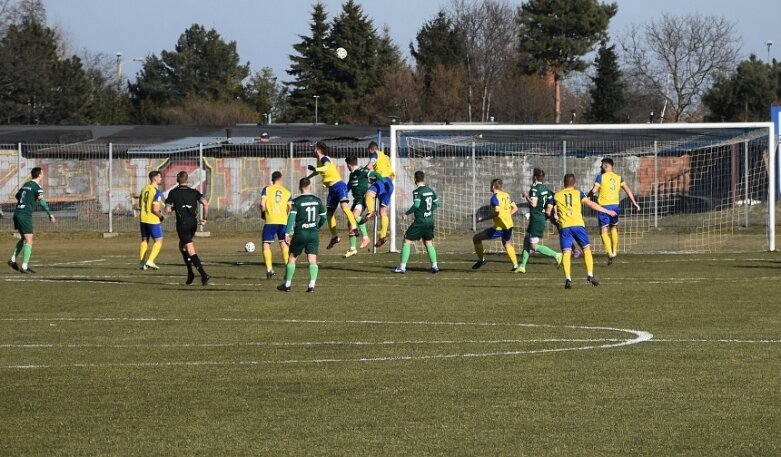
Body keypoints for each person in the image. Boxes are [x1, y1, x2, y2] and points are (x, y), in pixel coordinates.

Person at [546, 173, 618, 289]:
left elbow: (548, 212)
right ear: (574, 183)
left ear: (563, 183)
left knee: (566, 252)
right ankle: (590, 274)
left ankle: (568, 278)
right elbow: (591, 204)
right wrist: (607, 211)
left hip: (564, 227)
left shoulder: (555, 196)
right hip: (578, 225)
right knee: (586, 249)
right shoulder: (579, 193)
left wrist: (554, 217)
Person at [587, 157, 641, 265]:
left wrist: (587, 196)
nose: (600, 167)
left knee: (603, 231)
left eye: (602, 165)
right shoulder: (619, 177)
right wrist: (634, 203)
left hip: (604, 207)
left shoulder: (600, 177)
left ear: (606, 166)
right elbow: (628, 190)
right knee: (613, 228)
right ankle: (615, 251)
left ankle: (610, 253)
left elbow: (594, 190)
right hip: (615, 206)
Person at [277, 177, 327, 293]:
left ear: (300, 188)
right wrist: (317, 226)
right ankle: (311, 285)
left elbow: (291, 218)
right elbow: (324, 217)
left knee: (292, 258)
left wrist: (287, 233)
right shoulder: (317, 200)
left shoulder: (297, 201)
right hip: (313, 234)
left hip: (300, 233)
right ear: (311, 187)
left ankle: (287, 284)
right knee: (312, 259)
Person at [306, 141, 358, 250]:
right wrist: (309, 177)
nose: (313, 149)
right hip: (331, 189)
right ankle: (334, 236)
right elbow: (318, 172)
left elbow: (327, 168)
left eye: (314, 147)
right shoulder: (319, 160)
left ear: (318, 149)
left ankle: (354, 227)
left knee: (344, 207)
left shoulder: (325, 158)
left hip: (339, 185)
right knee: (329, 214)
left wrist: (316, 169)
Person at [165, 171, 210, 285]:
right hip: (193, 224)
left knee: (189, 249)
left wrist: (176, 208)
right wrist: (204, 218)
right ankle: (190, 273)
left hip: (182, 225)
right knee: (182, 247)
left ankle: (204, 274)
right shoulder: (194, 192)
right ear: (187, 180)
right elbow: (205, 203)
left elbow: (168, 209)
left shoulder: (173, 192)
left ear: (177, 180)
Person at [7, 167, 56, 273]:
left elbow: (17, 195)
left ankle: (13, 259)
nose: (43, 175)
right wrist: (50, 214)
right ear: (39, 175)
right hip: (25, 215)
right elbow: (42, 202)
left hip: (17, 213)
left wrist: (26, 200)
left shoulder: (26, 184)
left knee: (24, 238)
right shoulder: (37, 187)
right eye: (42, 173)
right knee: (29, 240)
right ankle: (24, 267)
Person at [515, 168, 562, 273]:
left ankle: (557, 255)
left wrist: (526, 195)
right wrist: (553, 212)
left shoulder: (535, 189)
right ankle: (522, 266)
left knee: (533, 246)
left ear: (535, 177)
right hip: (537, 218)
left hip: (537, 219)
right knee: (526, 242)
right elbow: (552, 199)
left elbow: (533, 204)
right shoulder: (546, 189)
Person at [392, 171, 440, 274]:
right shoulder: (431, 191)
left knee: (407, 240)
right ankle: (435, 266)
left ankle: (402, 267)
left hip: (420, 221)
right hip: (430, 220)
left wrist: (406, 213)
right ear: (424, 179)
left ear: (415, 179)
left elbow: (417, 205)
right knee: (428, 243)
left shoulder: (417, 192)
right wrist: (428, 211)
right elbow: (437, 204)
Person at [472, 178, 520, 271]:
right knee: (507, 243)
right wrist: (507, 215)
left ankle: (481, 260)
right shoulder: (506, 195)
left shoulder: (494, 198)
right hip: (509, 225)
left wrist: (483, 219)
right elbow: (515, 208)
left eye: (491, 185)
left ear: (493, 186)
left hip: (499, 228)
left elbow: (497, 213)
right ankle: (515, 266)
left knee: (476, 238)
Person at [362, 141, 395, 247]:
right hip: (389, 184)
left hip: (383, 180)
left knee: (369, 195)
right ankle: (383, 236)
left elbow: (369, 165)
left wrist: (363, 171)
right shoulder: (386, 157)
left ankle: (371, 211)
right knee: (383, 212)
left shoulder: (375, 154)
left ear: (371, 149)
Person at [260, 171, 292, 279]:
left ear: (272, 179)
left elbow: (262, 204)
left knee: (266, 244)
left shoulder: (267, 189)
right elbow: (290, 208)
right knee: (284, 243)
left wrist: (263, 213)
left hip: (270, 220)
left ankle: (269, 270)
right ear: (281, 179)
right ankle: (288, 268)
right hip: (283, 220)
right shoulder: (287, 192)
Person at [344, 157, 372, 257]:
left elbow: (373, 175)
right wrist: (342, 194)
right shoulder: (351, 174)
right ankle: (352, 249)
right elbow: (348, 186)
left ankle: (365, 237)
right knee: (350, 223)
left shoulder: (361, 171)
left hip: (362, 198)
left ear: (348, 165)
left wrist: (382, 184)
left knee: (354, 216)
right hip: (356, 201)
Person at [138, 170, 165, 270]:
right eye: (159, 177)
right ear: (155, 178)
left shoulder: (144, 189)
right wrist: (161, 216)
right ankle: (150, 261)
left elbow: (140, 204)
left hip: (143, 219)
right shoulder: (156, 192)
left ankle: (142, 263)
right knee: (159, 240)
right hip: (152, 220)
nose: (160, 178)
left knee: (145, 240)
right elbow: (155, 209)